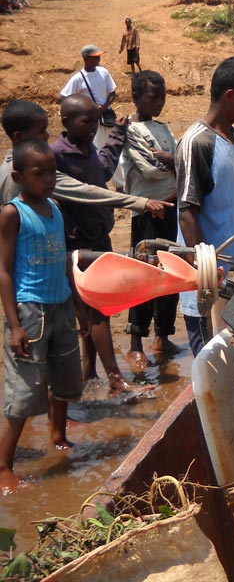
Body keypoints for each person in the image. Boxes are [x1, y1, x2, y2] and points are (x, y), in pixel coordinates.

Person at [0, 139, 84, 492]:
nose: (48, 179)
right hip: (30, 311)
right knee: (23, 390)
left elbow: (65, 257)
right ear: (19, 176)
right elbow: (3, 270)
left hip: (61, 304)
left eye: (52, 171)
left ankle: (58, 435)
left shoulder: (55, 207)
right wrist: (15, 325)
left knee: (64, 380)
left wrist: (77, 301)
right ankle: (4, 465)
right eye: (39, 174)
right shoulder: (12, 213)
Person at [52, 95, 147, 393]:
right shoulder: (57, 155)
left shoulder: (86, 148)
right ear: (66, 123)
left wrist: (117, 133)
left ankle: (89, 372)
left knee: (89, 313)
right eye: (86, 121)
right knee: (97, 311)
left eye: (95, 120)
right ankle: (115, 378)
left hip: (98, 238)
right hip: (77, 244)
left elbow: (103, 170)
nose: (93, 127)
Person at [176, 56, 234, 357]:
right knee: (213, 371)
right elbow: (187, 212)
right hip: (212, 284)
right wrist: (207, 272)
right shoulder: (197, 143)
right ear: (229, 96)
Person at [0, 99, 169, 214]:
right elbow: (86, 191)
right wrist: (140, 202)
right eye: (41, 131)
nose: (46, 136)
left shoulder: (7, 168)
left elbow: (102, 170)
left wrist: (117, 133)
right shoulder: (37, 169)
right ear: (19, 137)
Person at [120, 71, 181, 370]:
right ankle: (135, 342)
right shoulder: (130, 130)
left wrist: (171, 158)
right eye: (152, 96)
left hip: (170, 207)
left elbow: (175, 161)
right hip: (146, 211)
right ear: (135, 97)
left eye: (162, 96)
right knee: (143, 274)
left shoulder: (163, 128)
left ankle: (163, 335)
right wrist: (173, 159)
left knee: (171, 272)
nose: (158, 102)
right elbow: (151, 169)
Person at [59, 45, 117, 153]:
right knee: (94, 148)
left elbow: (113, 93)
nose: (98, 59)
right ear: (86, 59)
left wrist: (104, 107)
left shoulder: (104, 72)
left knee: (109, 147)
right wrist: (80, 112)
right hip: (90, 121)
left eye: (99, 56)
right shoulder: (78, 78)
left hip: (105, 119)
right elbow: (63, 98)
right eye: (95, 57)